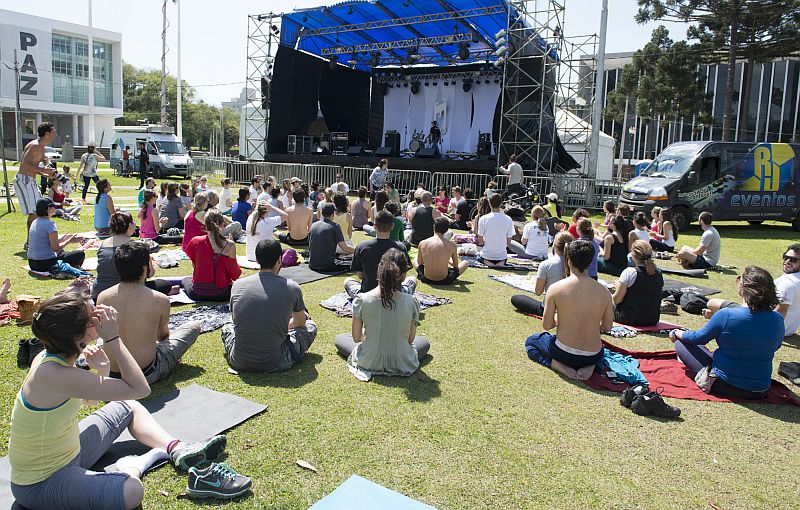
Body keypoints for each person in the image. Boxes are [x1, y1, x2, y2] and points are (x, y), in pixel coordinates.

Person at [9, 292, 245, 509]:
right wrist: (113, 338)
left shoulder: (52, 358)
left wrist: (102, 369)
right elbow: (140, 388)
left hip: (70, 453)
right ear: (79, 334)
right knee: (132, 491)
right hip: (42, 483)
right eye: (94, 315)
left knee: (127, 407)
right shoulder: (54, 374)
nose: (101, 315)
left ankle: (178, 450)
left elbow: (89, 401)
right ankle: (132, 465)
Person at [672, 266, 783, 399]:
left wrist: (677, 332)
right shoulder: (777, 318)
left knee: (681, 343)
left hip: (727, 385)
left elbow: (696, 338)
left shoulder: (727, 315)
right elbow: (775, 346)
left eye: (739, 279)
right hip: (761, 388)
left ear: (743, 286)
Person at [97, 240, 198, 379]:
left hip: (112, 372)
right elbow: (162, 337)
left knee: (101, 341)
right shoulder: (160, 299)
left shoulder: (103, 297)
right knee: (193, 327)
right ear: (145, 268)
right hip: (147, 372)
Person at [222, 239, 317, 372]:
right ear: (279, 260)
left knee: (227, 324)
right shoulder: (292, 287)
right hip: (277, 361)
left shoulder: (237, 285)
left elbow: (237, 320)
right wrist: (279, 327)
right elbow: (300, 322)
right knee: (310, 326)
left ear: (257, 259)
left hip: (239, 360)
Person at [525, 240, 613, 379]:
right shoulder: (604, 292)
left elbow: (547, 325)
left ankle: (556, 365)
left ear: (569, 260)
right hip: (592, 355)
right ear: (590, 262)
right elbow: (607, 327)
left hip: (563, 352)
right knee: (601, 353)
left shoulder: (556, 288)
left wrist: (561, 319)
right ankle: (591, 366)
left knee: (531, 342)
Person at [336, 248, 430, 376]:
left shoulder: (362, 300)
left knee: (340, 338)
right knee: (423, 342)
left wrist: (372, 333)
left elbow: (357, 338)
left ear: (379, 271)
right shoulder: (412, 301)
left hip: (369, 361)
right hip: (401, 362)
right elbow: (410, 339)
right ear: (403, 276)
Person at [92, 213, 173, 300]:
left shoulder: (103, 244)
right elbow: (149, 273)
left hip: (98, 293)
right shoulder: (136, 247)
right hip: (126, 293)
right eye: (133, 221)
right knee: (165, 285)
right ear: (130, 225)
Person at [345, 210, 412, 298]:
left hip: (368, 294)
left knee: (348, 280)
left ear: (375, 226)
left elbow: (360, 275)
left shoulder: (362, 247)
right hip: (395, 294)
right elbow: (403, 277)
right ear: (392, 226)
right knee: (412, 280)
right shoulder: (401, 247)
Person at [183, 210, 242, 301]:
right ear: (222, 223)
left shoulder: (196, 241)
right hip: (222, 293)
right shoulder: (229, 245)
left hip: (198, 292)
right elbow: (235, 274)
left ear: (205, 224)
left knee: (186, 280)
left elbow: (195, 267)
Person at [16, 122, 57, 249]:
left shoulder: (41, 147)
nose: (55, 134)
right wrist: (43, 170)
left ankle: (33, 240)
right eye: (53, 131)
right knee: (34, 211)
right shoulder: (35, 146)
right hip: (24, 180)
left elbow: (38, 165)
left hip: (31, 180)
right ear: (47, 133)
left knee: (39, 209)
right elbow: (25, 165)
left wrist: (46, 172)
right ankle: (30, 242)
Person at [511, 231, 573, 316]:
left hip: (550, 309)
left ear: (554, 245)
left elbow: (538, 292)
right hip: (573, 309)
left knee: (516, 298)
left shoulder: (546, 264)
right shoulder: (578, 264)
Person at [612, 240, 663, 327]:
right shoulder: (658, 273)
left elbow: (617, 299)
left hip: (628, 318)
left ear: (633, 255)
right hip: (652, 319)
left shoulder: (630, 272)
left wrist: (617, 288)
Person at [27, 198, 86, 273]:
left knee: (63, 253)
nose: (55, 208)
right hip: (45, 264)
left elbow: (46, 242)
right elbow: (55, 248)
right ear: (48, 209)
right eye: (54, 207)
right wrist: (69, 241)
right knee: (80, 254)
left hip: (32, 263)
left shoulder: (35, 222)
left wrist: (64, 238)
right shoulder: (50, 224)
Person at [414, 217, 468, 285]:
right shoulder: (452, 245)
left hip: (426, 278)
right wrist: (447, 259)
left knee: (415, 259)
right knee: (465, 263)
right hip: (444, 279)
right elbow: (456, 266)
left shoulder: (422, 243)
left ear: (434, 227)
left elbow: (420, 263)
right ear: (446, 230)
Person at [308, 203, 354, 272]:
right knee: (354, 263)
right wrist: (358, 251)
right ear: (333, 214)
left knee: (346, 259)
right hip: (327, 265)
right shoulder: (335, 226)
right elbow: (344, 248)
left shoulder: (314, 225)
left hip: (312, 264)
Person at [477, 193, 514, 267]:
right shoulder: (508, 219)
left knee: (478, 256)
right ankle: (500, 263)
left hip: (487, 255)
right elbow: (509, 241)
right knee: (502, 258)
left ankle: (488, 263)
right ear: (500, 203)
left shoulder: (483, 219)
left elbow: (480, 240)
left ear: (489, 203)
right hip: (501, 256)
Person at [775, 244, 800, 336]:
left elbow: (781, 310)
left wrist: (771, 333)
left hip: (772, 328)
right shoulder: (793, 278)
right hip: (788, 330)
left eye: (793, 260)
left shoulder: (788, 282)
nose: (787, 261)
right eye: (785, 257)